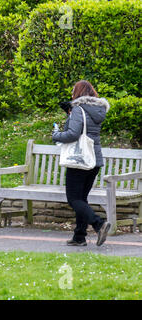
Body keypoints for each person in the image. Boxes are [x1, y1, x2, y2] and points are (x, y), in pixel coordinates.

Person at [52, 80, 111, 246]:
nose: (71, 94)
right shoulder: (97, 110)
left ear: (78, 92)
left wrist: (56, 135)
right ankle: (79, 236)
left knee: (73, 199)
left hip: (79, 160)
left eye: (73, 91)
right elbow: (85, 128)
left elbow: (72, 134)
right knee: (81, 199)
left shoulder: (79, 109)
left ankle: (99, 224)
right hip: (94, 161)